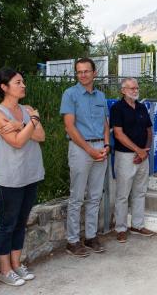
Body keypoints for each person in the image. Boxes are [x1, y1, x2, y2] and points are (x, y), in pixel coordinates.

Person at [0, 68, 45, 286]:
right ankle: (4, 270)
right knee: (8, 224)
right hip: (7, 179)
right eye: (18, 82)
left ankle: (16, 264)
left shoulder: (27, 109)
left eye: (23, 81)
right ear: (4, 87)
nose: (23, 85)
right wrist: (33, 121)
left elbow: (40, 136)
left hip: (29, 175)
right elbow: (18, 142)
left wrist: (22, 124)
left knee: (21, 222)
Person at [60, 58, 110, 257]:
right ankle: (72, 241)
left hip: (100, 147)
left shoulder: (101, 96)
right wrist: (90, 150)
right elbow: (69, 127)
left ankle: (90, 237)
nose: (82, 75)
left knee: (95, 196)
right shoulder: (70, 94)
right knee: (77, 197)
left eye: (86, 71)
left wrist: (106, 145)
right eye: (79, 71)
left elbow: (106, 124)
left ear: (94, 73)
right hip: (81, 149)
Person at [110, 77, 155, 243]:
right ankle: (120, 228)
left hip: (143, 156)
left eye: (136, 88)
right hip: (125, 157)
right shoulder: (117, 108)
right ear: (123, 90)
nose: (135, 91)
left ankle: (137, 225)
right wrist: (138, 151)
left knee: (140, 192)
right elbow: (118, 134)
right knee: (122, 194)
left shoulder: (142, 107)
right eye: (131, 88)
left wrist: (146, 151)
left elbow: (149, 130)